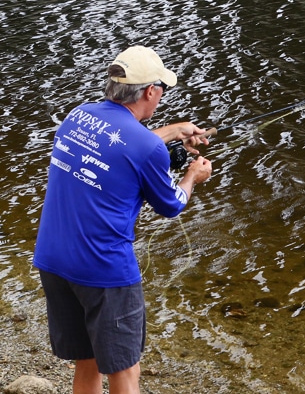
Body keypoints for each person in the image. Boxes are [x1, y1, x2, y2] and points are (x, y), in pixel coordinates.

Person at [33, 46, 213, 394]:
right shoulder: (147, 148)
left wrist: (173, 131)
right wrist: (193, 176)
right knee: (125, 370)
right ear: (150, 91)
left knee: (86, 361)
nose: (161, 96)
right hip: (104, 271)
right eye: (163, 90)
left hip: (53, 260)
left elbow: (121, 143)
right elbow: (171, 204)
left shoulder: (78, 116)